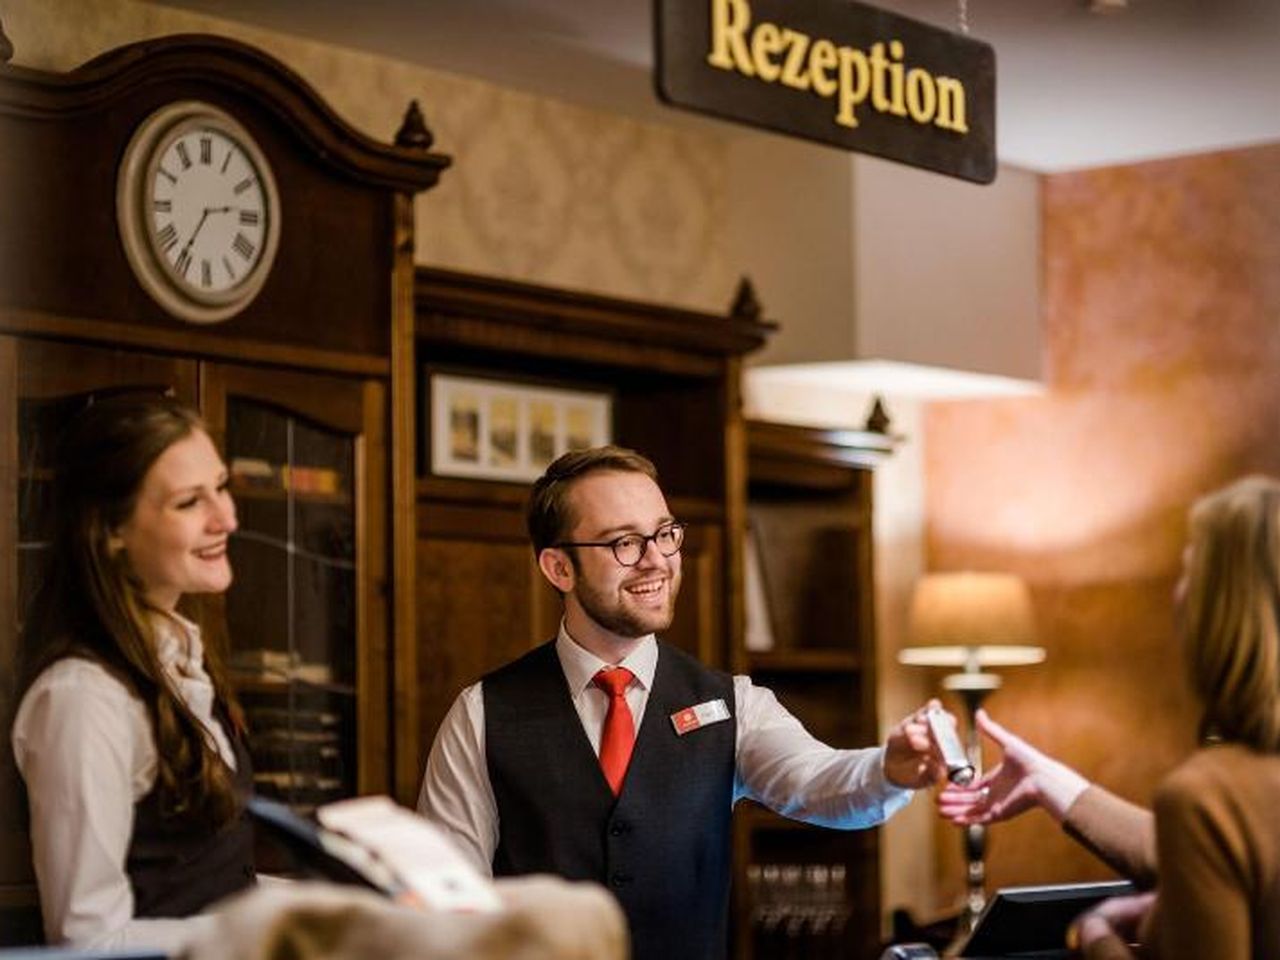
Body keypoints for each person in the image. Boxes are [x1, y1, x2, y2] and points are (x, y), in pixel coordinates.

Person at [417, 445, 946, 960]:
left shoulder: (734, 703)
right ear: (559, 568)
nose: (656, 561)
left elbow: (816, 782)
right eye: (625, 542)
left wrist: (888, 770)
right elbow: (443, 910)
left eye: (665, 534)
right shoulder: (482, 713)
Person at [938, 475, 1280, 959]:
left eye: (1190, 572)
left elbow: (1213, 833)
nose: (1178, 593)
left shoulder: (1208, 796)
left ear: (1220, 612)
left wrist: (1095, 936)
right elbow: (1214, 851)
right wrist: (1046, 781)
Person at [10, 395, 253, 951]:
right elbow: (88, 940)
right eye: (189, 502)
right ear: (111, 530)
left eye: (221, 487)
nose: (227, 519)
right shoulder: (82, 698)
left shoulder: (182, 662)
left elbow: (212, 882)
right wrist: (258, 933)